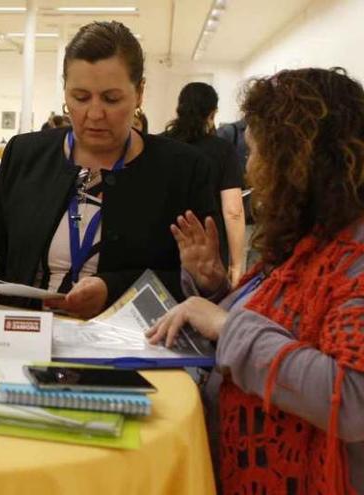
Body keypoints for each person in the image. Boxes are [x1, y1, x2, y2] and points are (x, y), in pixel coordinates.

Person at [146, 67, 364, 494]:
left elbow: (352, 399)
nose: (252, 170)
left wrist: (226, 324)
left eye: (258, 153)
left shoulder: (353, 255)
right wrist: (215, 290)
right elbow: (283, 327)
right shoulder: (313, 235)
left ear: (295, 162)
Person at [0, 21, 215, 317]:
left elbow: (193, 281)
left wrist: (114, 288)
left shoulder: (183, 169)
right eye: (80, 97)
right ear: (65, 92)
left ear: (139, 93)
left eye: (111, 99)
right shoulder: (25, 154)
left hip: (127, 344)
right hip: (22, 333)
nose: (94, 114)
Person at [163, 82, 246, 285]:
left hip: (162, 245)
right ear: (212, 114)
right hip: (209, 253)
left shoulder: (158, 145)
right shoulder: (223, 150)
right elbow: (233, 211)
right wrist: (237, 266)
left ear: (178, 109)